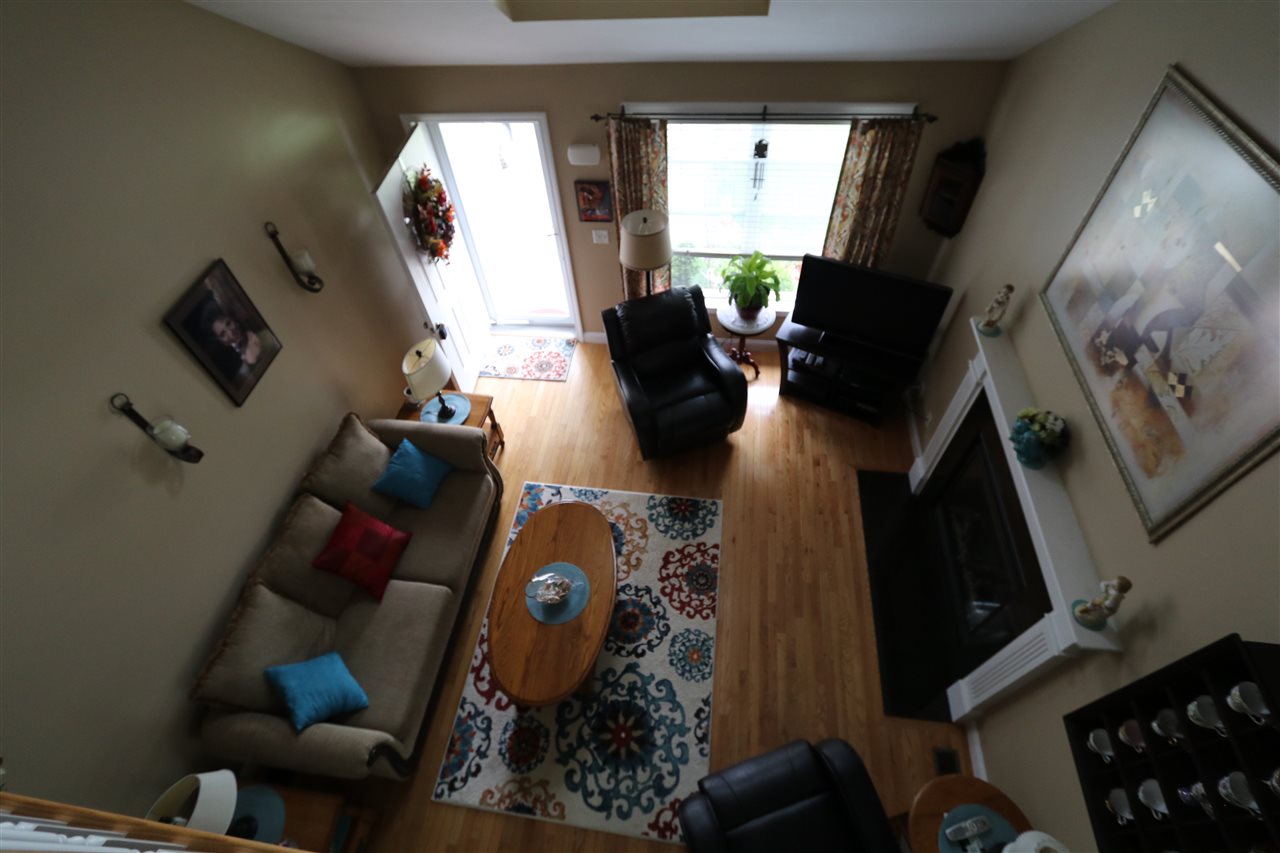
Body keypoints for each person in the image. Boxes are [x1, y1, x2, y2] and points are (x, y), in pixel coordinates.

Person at [200, 300, 262, 370]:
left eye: (228, 323)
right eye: (222, 334)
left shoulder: (261, 336)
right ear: (221, 342)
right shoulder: (236, 368)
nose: (230, 333)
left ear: (234, 320)